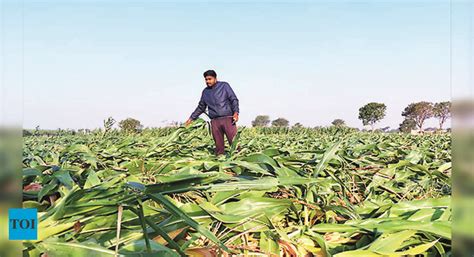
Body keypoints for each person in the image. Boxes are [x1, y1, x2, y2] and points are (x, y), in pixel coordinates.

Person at [185, 70, 239, 155]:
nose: (207, 81)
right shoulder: (205, 92)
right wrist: (191, 118)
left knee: (234, 143)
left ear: (215, 78)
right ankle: (220, 164)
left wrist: (236, 112)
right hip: (215, 121)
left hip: (228, 119)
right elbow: (201, 107)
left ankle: (239, 162)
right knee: (218, 146)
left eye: (210, 79)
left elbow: (233, 99)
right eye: (206, 79)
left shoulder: (224, 86)